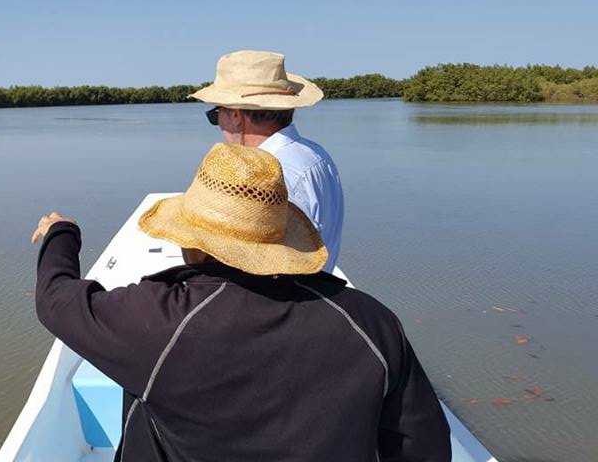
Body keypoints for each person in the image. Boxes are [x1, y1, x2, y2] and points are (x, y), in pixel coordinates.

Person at [31, 143, 450, 462]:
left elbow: (55, 299)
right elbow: (422, 445)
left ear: (191, 244)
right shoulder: (370, 323)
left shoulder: (160, 323)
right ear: (282, 240)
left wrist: (62, 233)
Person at [191, 50, 344, 272]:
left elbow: (274, 270)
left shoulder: (269, 177)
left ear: (235, 116)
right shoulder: (316, 154)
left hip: (288, 303)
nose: (219, 126)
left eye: (215, 115)